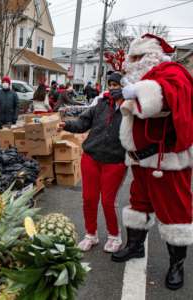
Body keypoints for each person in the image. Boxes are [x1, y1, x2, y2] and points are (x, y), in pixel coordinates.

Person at [111, 34, 193, 291]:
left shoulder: (172, 72)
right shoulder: (145, 76)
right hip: (140, 159)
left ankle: (177, 265)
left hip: (165, 159)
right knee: (139, 203)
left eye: (136, 58)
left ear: (151, 56)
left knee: (174, 211)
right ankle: (135, 246)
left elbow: (168, 98)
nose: (130, 63)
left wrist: (136, 92)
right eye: (130, 58)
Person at [58, 72, 127, 252]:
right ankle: (91, 234)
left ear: (125, 86)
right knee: (89, 199)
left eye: (116, 84)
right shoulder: (101, 103)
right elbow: (83, 122)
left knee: (108, 201)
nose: (112, 88)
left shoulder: (131, 107)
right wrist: (67, 125)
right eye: (110, 84)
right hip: (91, 157)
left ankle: (114, 235)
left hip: (115, 161)